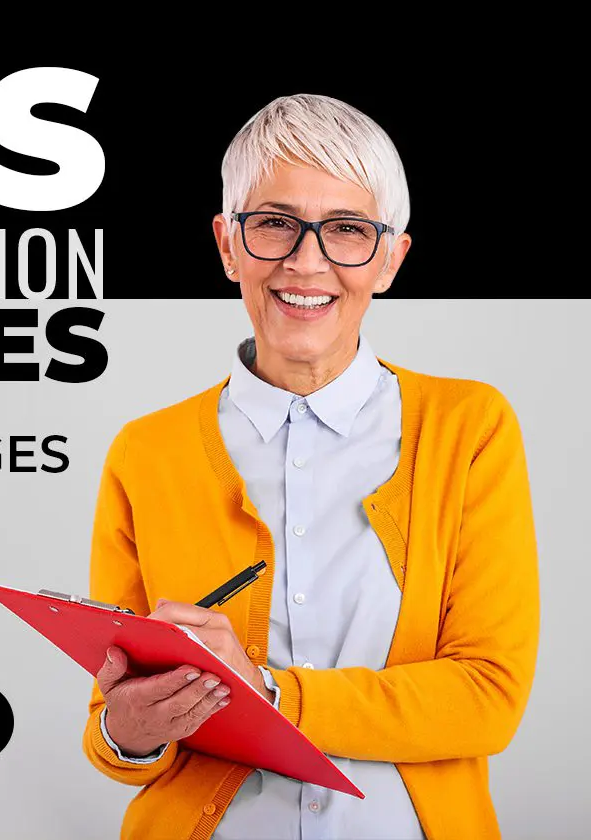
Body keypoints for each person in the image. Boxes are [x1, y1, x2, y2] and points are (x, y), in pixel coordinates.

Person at [80, 93, 539, 839]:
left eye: (348, 231)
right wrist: (130, 730)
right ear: (229, 243)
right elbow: (117, 736)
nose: (305, 261)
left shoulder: (469, 429)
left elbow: (487, 697)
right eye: (274, 224)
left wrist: (267, 692)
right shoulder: (146, 451)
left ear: (390, 259)